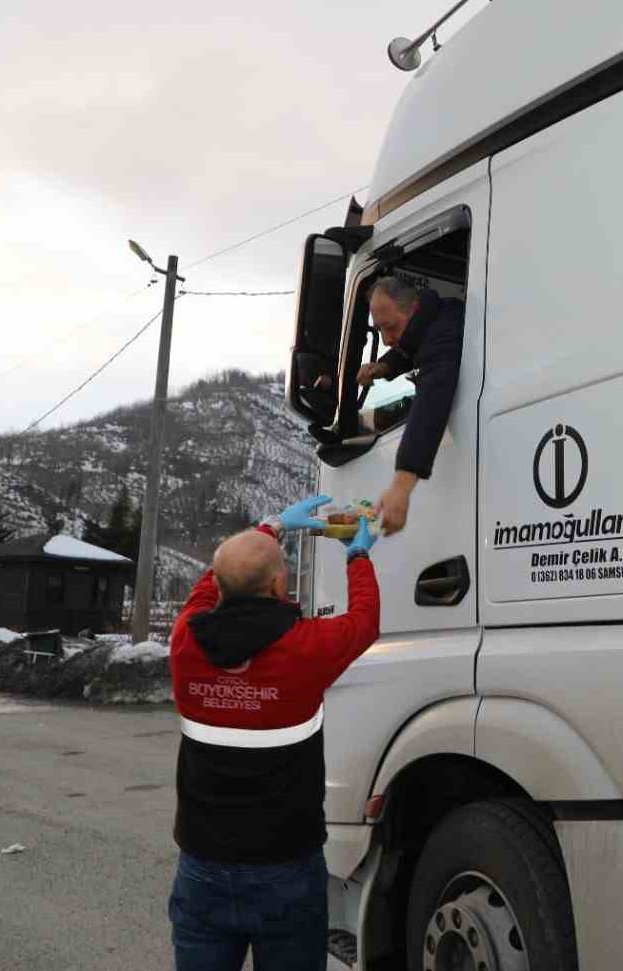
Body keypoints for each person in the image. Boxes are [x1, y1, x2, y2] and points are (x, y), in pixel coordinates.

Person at [166, 495, 377, 971]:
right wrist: (358, 555)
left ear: (219, 585)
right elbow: (364, 623)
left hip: (202, 867)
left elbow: (204, 592)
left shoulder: (185, 642)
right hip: (286, 867)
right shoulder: (305, 648)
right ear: (281, 584)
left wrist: (270, 527)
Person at [356, 277, 464, 534]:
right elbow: (415, 342)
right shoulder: (440, 314)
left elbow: (431, 403)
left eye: (389, 327)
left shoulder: (445, 333)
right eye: (379, 330)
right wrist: (385, 366)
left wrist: (401, 486)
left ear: (413, 309)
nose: (385, 340)